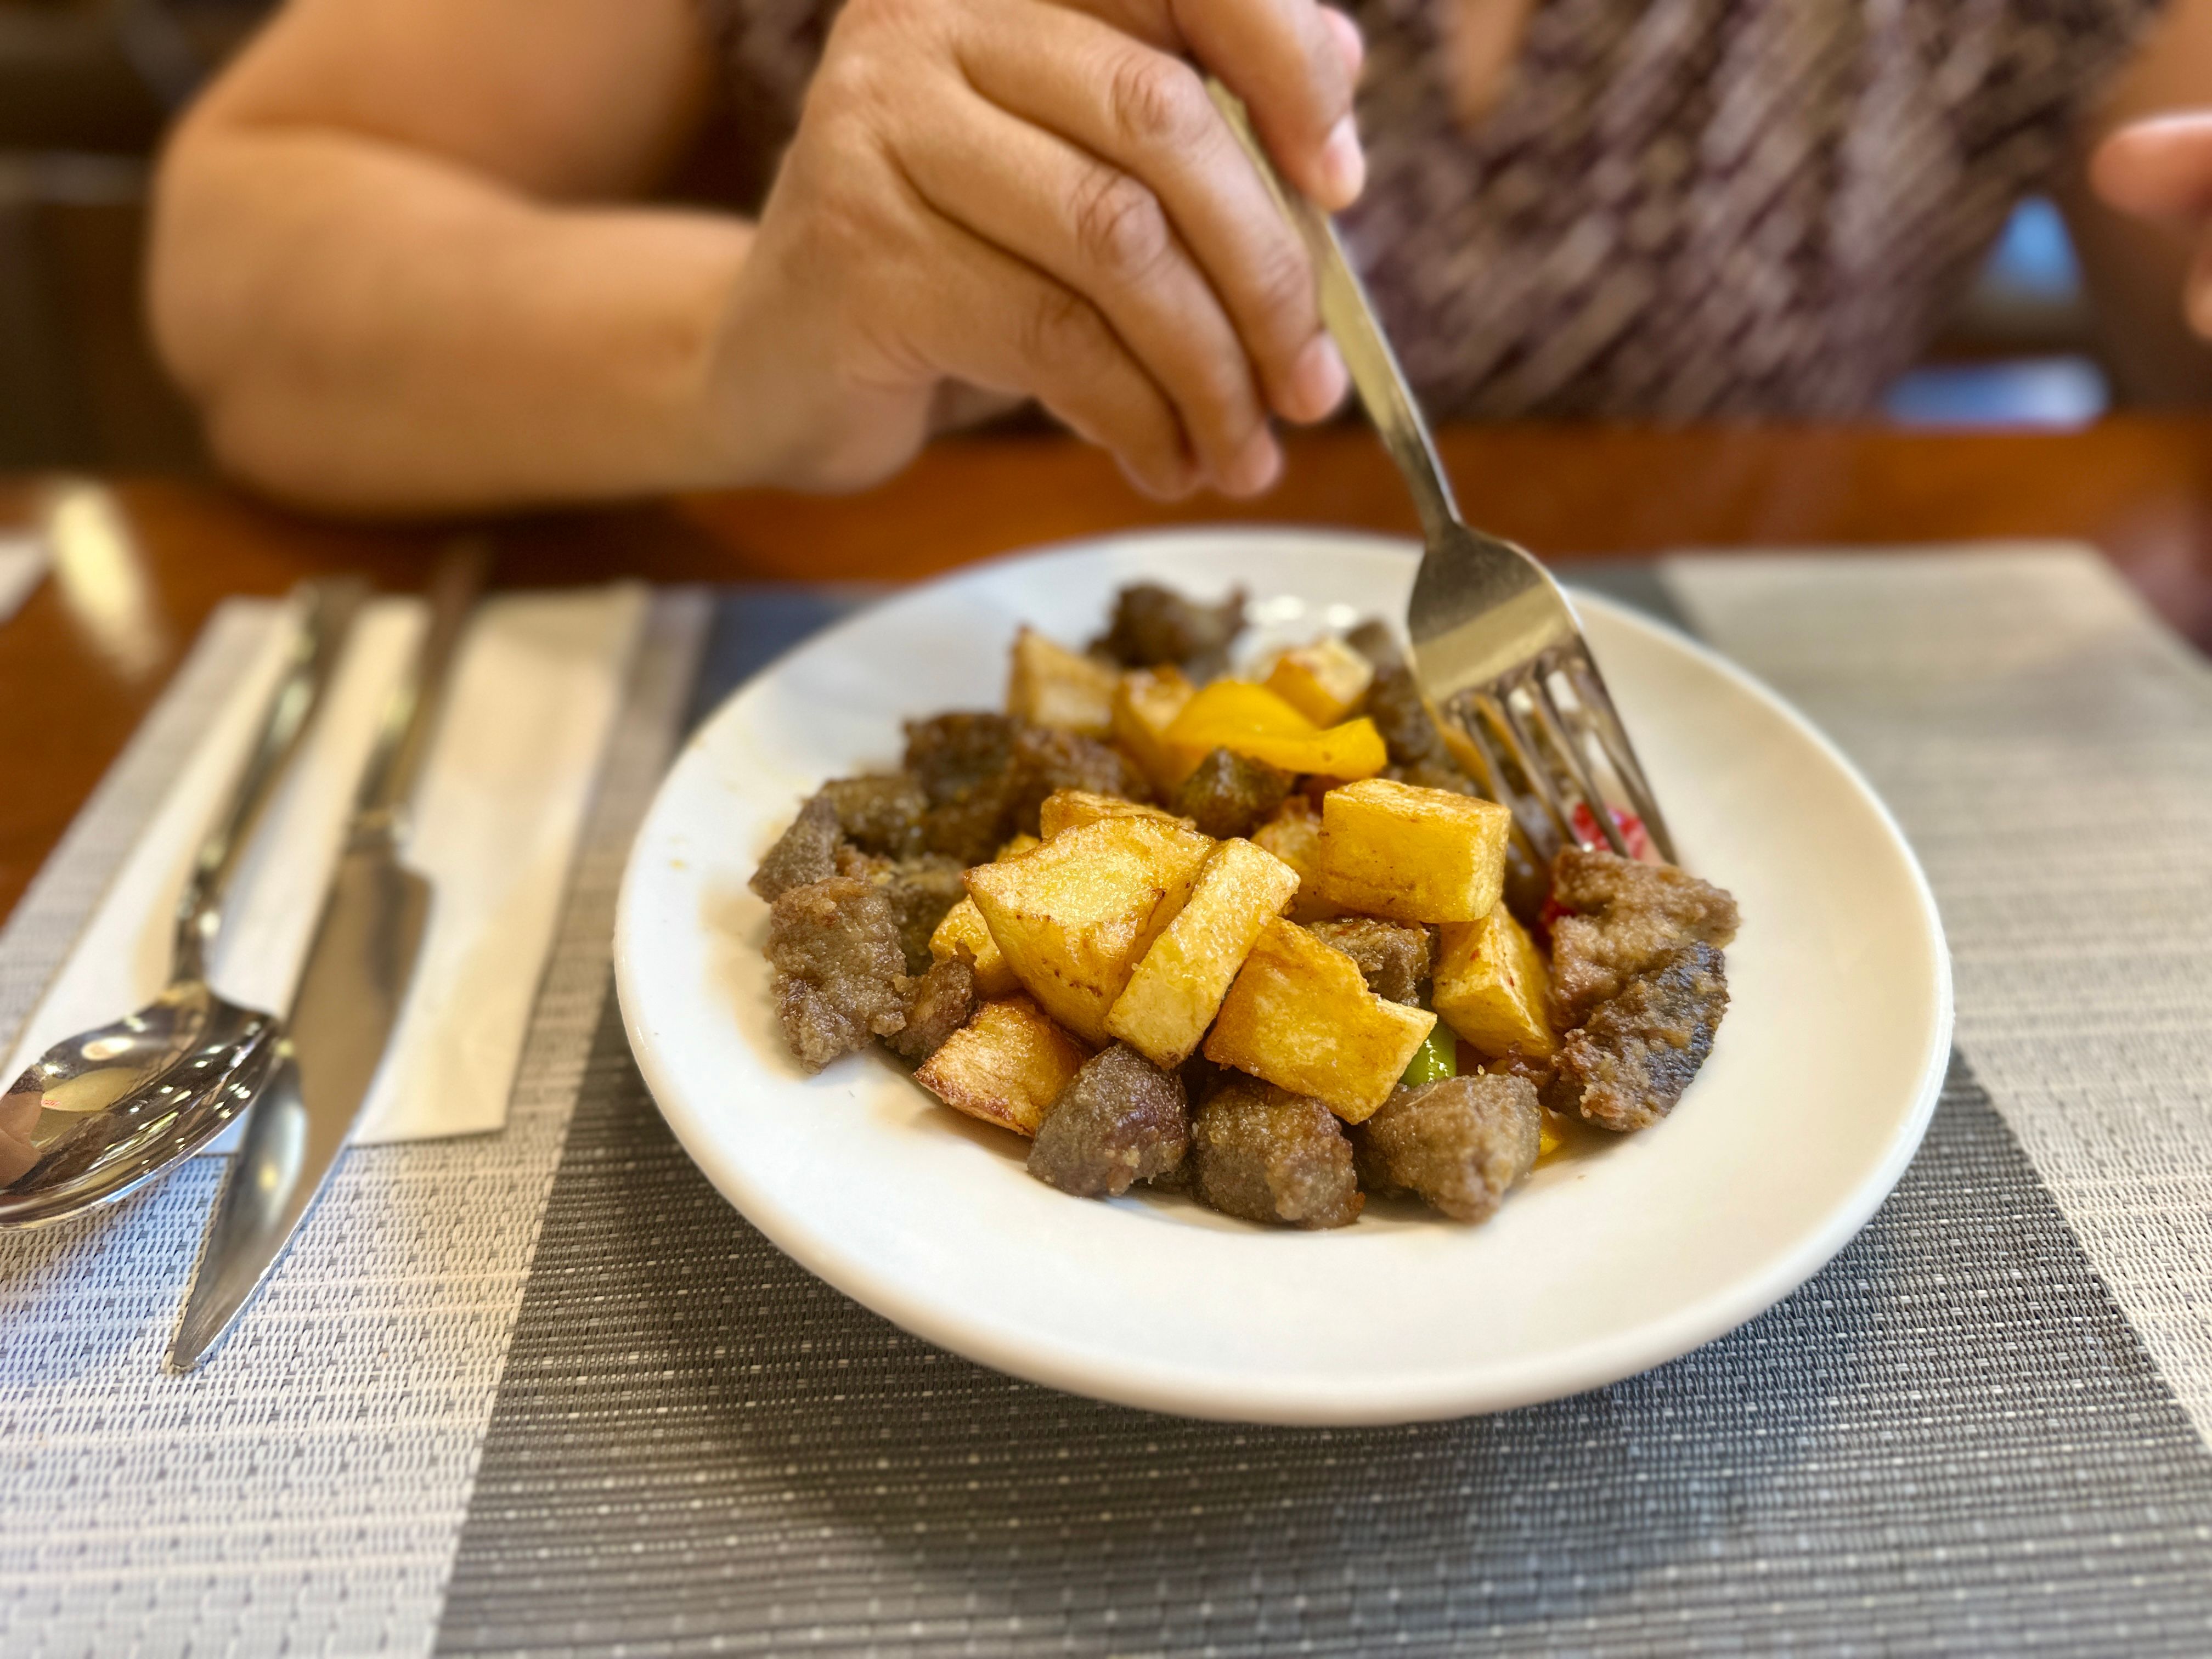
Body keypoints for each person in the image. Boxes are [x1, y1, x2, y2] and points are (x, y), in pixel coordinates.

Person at [147, 0, 2212, 515]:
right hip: (865, 696)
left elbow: (2174, 346)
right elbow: (254, 244)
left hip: (1811, 786)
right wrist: (730, 345)